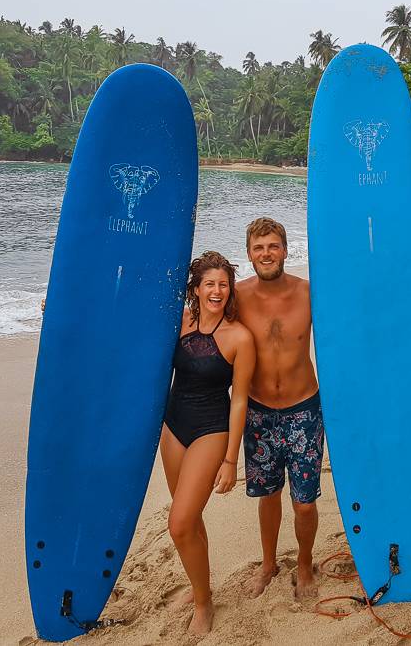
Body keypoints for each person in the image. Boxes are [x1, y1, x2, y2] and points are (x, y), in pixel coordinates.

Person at [236, 217, 411, 600]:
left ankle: (303, 561)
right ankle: (267, 564)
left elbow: (363, 320)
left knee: (304, 500)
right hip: (259, 413)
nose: (266, 253)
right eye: (259, 247)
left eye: (273, 246)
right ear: (248, 253)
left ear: (285, 250)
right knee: (268, 496)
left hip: (304, 410)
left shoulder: (308, 294)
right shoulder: (237, 297)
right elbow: (204, 325)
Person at [159, 251, 255, 636]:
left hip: (211, 430)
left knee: (179, 523)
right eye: (209, 284)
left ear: (229, 289)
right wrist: (63, 306)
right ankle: (201, 584)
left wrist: (231, 459)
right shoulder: (178, 322)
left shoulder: (239, 337)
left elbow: (240, 399)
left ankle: (203, 603)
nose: (217, 291)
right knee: (191, 517)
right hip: (173, 426)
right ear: (195, 289)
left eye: (223, 284)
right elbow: (122, 328)